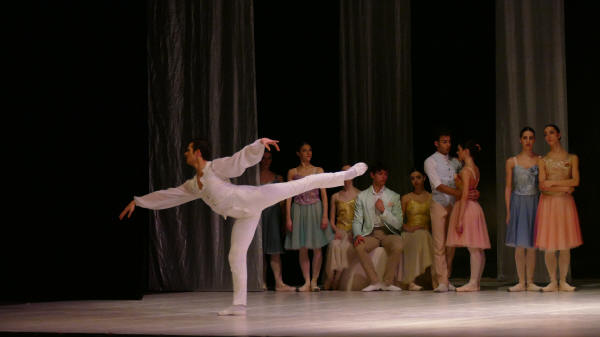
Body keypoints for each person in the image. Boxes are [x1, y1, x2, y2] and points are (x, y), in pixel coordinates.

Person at [119, 138, 368, 315]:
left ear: (197, 153)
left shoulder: (214, 167)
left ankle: (348, 174)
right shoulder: (193, 185)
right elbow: (170, 195)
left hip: (251, 198)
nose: (185, 153)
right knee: (235, 254)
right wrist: (140, 202)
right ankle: (239, 305)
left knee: (299, 184)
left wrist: (258, 145)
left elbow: (238, 161)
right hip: (244, 215)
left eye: (188, 150)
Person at [535, 124, 582, 292]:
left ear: (559, 135)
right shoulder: (543, 160)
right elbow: (542, 185)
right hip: (548, 203)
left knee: (564, 244)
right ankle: (552, 281)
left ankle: (563, 280)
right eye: (546, 133)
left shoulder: (571, 158)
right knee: (549, 245)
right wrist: (564, 188)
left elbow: (575, 181)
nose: (548, 136)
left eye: (552, 132)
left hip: (564, 204)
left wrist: (553, 182)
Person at [284, 142, 334, 292]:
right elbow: (288, 196)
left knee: (317, 246)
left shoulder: (318, 170)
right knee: (303, 247)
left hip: (315, 209)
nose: (308, 153)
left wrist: (325, 215)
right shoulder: (292, 172)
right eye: (305, 150)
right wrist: (288, 217)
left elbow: (324, 194)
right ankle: (306, 281)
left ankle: (314, 281)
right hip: (299, 209)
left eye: (310, 150)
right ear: (298, 153)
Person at [446, 140, 490, 292]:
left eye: (459, 150)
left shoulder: (465, 171)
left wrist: (459, 219)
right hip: (474, 208)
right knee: (477, 248)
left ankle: (473, 282)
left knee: (473, 248)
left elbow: (464, 195)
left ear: (466, 151)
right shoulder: (475, 169)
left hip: (467, 209)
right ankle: (476, 282)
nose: (457, 153)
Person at [352, 163, 404, 292]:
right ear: (372, 175)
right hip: (370, 233)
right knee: (359, 246)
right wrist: (357, 234)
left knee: (398, 245)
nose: (384, 177)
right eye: (380, 174)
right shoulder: (362, 196)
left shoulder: (393, 196)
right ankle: (374, 281)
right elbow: (357, 220)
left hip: (387, 233)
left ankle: (387, 282)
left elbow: (398, 223)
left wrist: (384, 211)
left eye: (386, 174)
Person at [504, 127, 542, 292]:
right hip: (518, 202)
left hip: (534, 202)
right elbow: (508, 187)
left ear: (534, 140)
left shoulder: (540, 160)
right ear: (520, 140)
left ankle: (531, 281)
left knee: (532, 244)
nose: (528, 141)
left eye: (531, 138)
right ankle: (521, 281)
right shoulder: (512, 161)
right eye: (525, 138)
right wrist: (508, 211)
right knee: (520, 244)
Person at [424, 130, 462, 292]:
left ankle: (447, 278)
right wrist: (459, 193)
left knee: (451, 244)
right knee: (439, 244)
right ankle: (441, 280)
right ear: (436, 143)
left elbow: (462, 179)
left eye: (449, 141)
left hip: (453, 205)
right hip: (439, 204)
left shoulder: (454, 162)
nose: (447, 144)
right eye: (444, 141)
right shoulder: (430, 161)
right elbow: (437, 184)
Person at [259, 151, 295, 292]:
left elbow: (283, 202)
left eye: (269, 158)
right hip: (259, 216)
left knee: (275, 251)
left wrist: (285, 219)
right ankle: (261, 282)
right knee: (260, 251)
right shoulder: (253, 178)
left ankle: (279, 283)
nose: (266, 161)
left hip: (273, 215)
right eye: (263, 158)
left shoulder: (277, 178)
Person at [323, 165, 360, 290]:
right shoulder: (336, 196)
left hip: (352, 231)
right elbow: (332, 219)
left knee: (344, 246)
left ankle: (337, 279)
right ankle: (330, 277)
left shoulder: (359, 195)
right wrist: (336, 231)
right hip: (339, 230)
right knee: (334, 245)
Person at [400, 168, 435, 291]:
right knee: (418, 237)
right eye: (413, 178)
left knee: (423, 236)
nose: (415, 181)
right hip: (410, 233)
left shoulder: (431, 197)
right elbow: (398, 221)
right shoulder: (406, 198)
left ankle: (435, 280)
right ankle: (411, 281)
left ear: (424, 178)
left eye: (418, 177)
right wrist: (409, 228)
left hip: (426, 233)